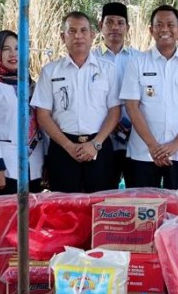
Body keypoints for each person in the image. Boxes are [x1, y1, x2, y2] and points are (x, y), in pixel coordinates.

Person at [121, 5, 178, 189]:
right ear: (151, 30)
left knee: (176, 211)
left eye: (170, 25)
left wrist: (177, 143)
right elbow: (131, 106)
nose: (164, 29)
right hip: (143, 152)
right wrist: (153, 146)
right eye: (159, 24)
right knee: (143, 210)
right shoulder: (137, 63)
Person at [33, 12, 121, 193]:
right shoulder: (50, 72)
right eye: (72, 31)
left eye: (83, 30)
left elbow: (114, 112)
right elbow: (42, 115)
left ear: (92, 35)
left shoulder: (108, 70)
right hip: (63, 148)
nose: (78, 36)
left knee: (100, 208)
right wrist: (68, 146)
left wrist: (95, 144)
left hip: (99, 146)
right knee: (65, 210)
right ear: (62, 36)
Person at [0, 30, 45, 198]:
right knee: (2, 222)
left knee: (30, 222)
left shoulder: (29, 84)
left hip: (32, 168)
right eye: (6, 49)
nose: (13, 54)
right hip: (4, 171)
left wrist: (45, 162)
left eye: (18, 48)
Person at [96, 2, 140, 186]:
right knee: (104, 194)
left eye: (120, 23)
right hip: (102, 139)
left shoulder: (139, 59)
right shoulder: (91, 60)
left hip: (134, 138)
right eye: (110, 22)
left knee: (137, 194)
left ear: (127, 28)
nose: (115, 27)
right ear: (101, 26)